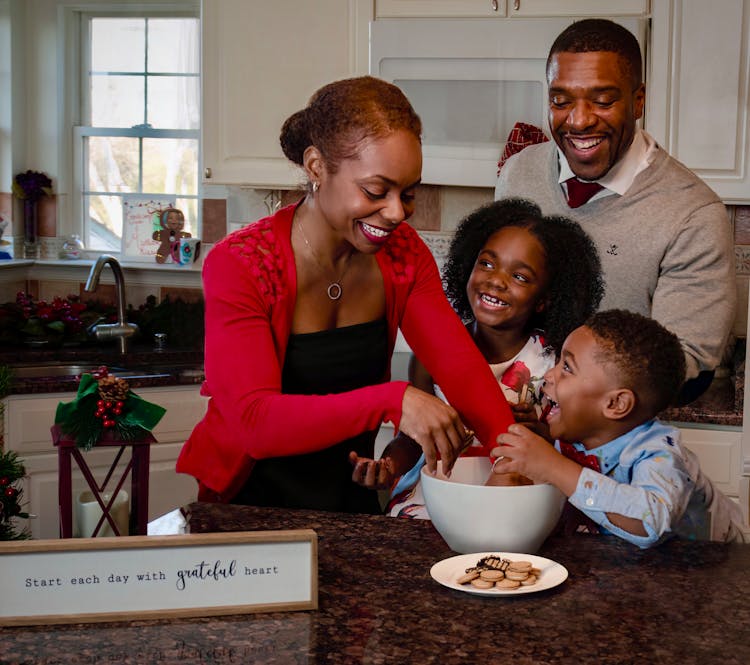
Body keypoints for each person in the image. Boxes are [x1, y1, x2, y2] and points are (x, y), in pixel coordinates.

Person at [176, 76, 515, 513]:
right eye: (376, 191)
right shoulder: (241, 264)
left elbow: (462, 372)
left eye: (408, 193)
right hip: (248, 505)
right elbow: (253, 424)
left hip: (347, 497)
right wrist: (392, 399)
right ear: (316, 166)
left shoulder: (403, 253)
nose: (396, 212)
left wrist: (511, 457)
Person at [494, 18, 736, 405]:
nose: (578, 120)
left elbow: (684, 365)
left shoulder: (693, 215)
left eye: (603, 100)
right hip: (513, 417)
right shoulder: (518, 174)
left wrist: (568, 396)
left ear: (638, 101)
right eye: (560, 100)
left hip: (614, 445)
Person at [350, 198, 604, 518]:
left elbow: (577, 448)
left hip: (520, 494)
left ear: (545, 300)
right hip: (441, 490)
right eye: (486, 263)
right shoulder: (433, 351)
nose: (496, 280)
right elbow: (413, 440)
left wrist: (540, 433)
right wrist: (387, 466)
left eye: (520, 277)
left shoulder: (556, 362)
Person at [493, 310, 744, 548]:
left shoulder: (658, 454)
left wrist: (552, 466)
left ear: (615, 404)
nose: (549, 375)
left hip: (720, 565)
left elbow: (650, 522)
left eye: (567, 367)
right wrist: (541, 437)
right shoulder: (584, 432)